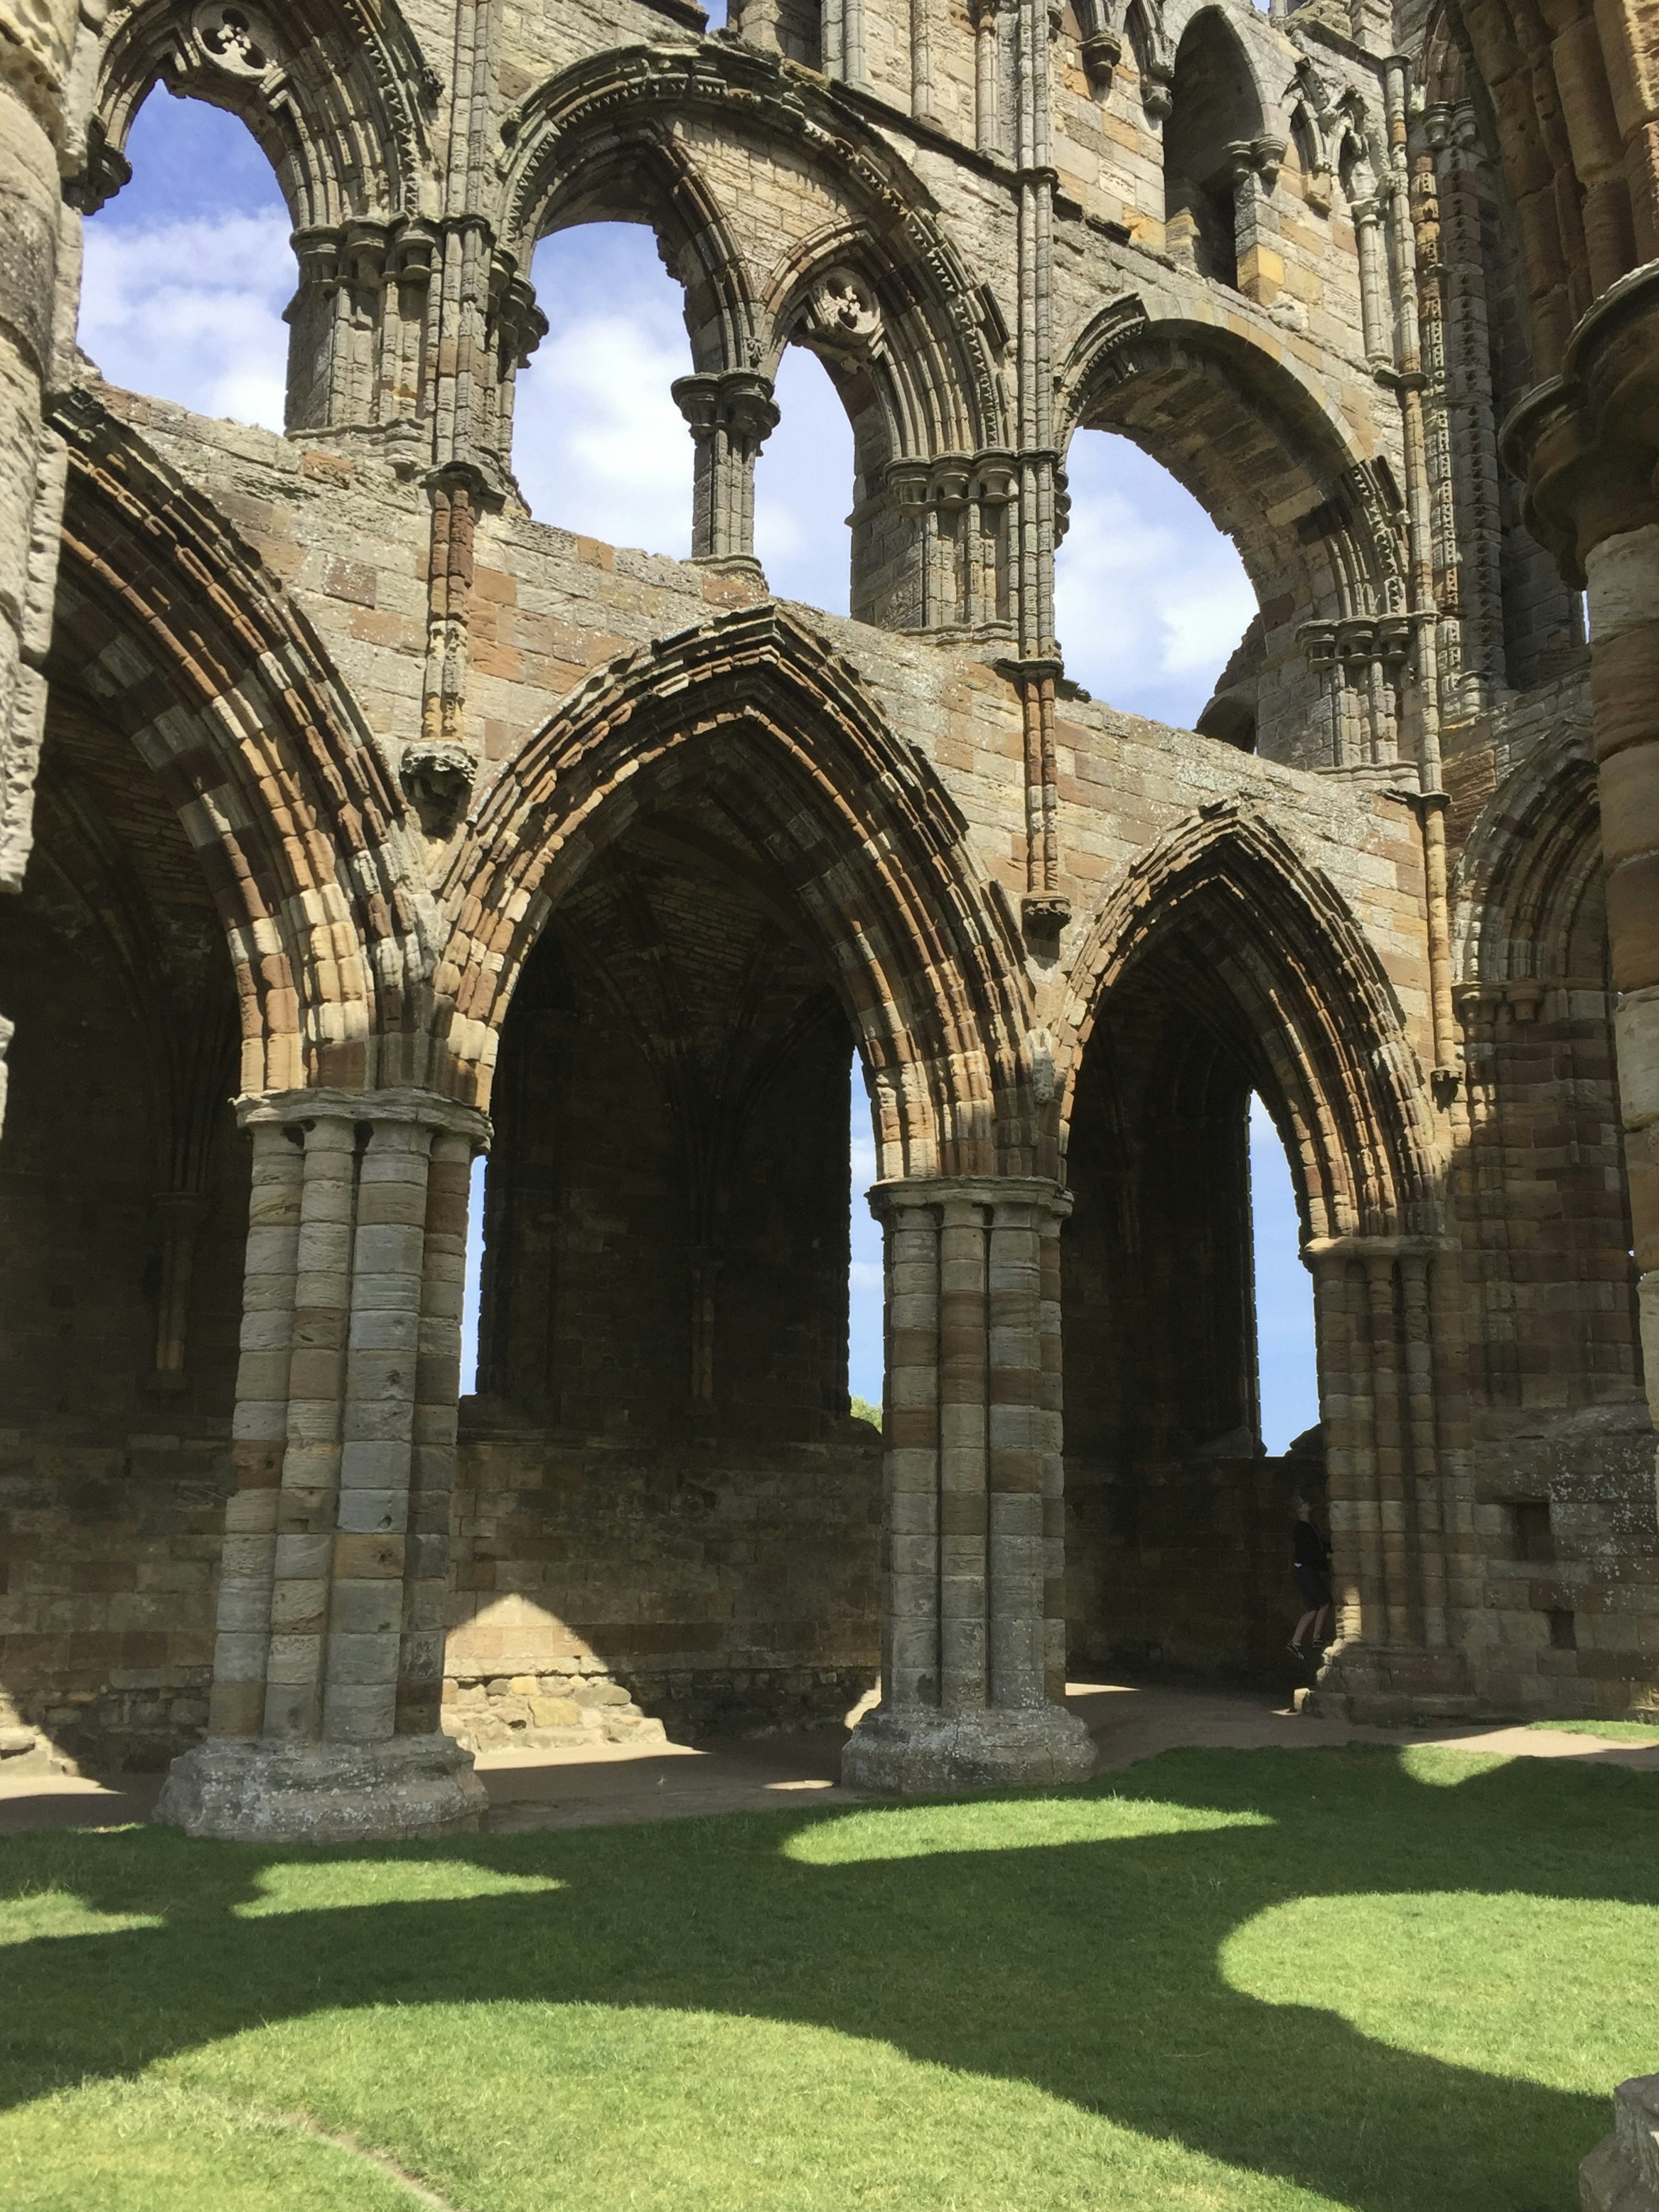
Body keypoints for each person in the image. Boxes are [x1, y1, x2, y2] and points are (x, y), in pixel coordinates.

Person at [1288, 1496, 1332, 1660]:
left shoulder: (1309, 1527)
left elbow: (1320, 1545)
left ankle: (1295, 1642)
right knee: (1326, 1602)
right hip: (1305, 1570)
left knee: (1313, 1608)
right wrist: (1326, 1558)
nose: (1308, 1503)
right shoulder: (1301, 1529)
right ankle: (1316, 1638)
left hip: (1304, 1570)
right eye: (1304, 1503)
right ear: (1299, 1510)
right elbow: (1310, 1552)